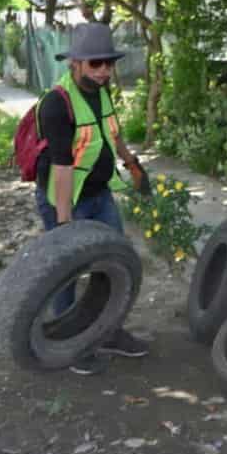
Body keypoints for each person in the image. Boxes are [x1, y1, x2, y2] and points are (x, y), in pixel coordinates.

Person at [36, 21, 149, 374]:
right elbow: (63, 167)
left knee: (113, 264)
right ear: (76, 64)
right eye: (95, 64)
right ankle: (68, 344)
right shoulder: (56, 104)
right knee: (66, 273)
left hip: (100, 195)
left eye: (109, 63)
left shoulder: (102, 92)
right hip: (65, 199)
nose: (104, 71)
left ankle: (108, 332)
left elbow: (111, 134)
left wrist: (132, 165)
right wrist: (66, 223)